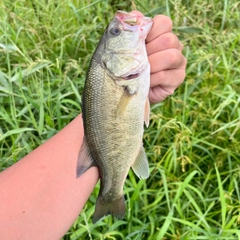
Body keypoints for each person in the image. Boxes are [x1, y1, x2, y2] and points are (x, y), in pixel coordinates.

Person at [0, 15, 187, 239]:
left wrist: (143, 93)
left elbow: (104, 109)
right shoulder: (114, 73)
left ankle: (111, 192)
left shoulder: (118, 74)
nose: (120, 28)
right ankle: (111, 194)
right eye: (115, 33)